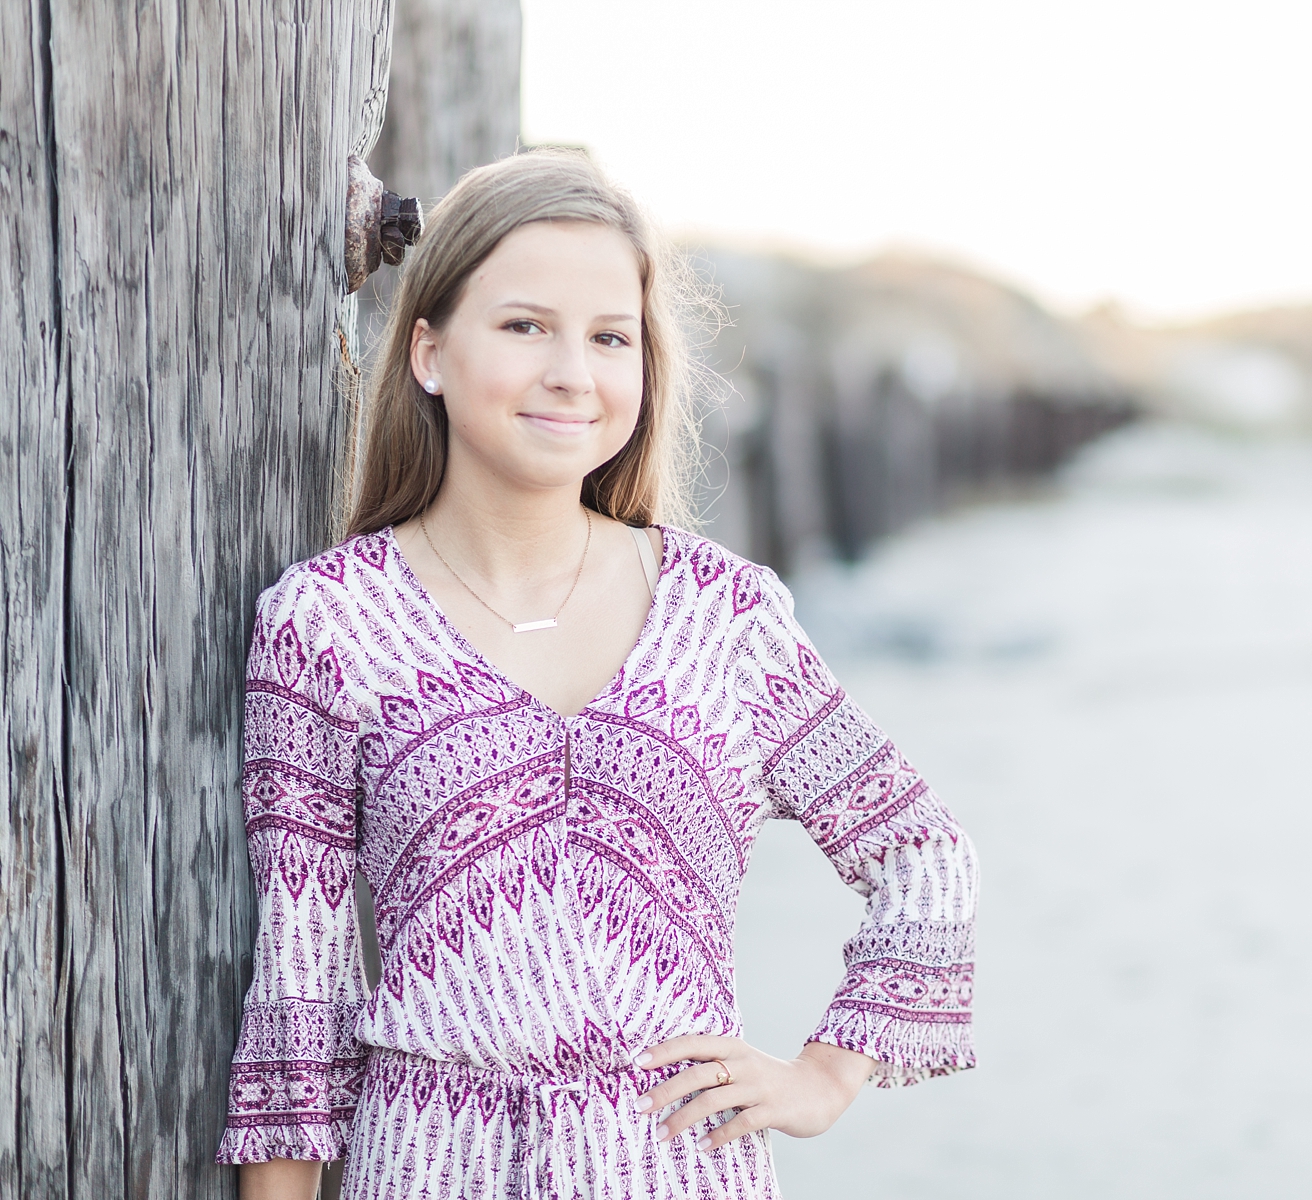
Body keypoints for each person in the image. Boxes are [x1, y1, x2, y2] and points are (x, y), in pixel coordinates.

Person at [217, 150, 979, 1199]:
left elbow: (923, 854)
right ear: (430, 352)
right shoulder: (328, 623)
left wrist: (823, 1077)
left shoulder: (727, 618)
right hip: (434, 1165)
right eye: (526, 325)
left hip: (677, 1164)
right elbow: (299, 1000)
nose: (574, 370)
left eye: (610, 337)